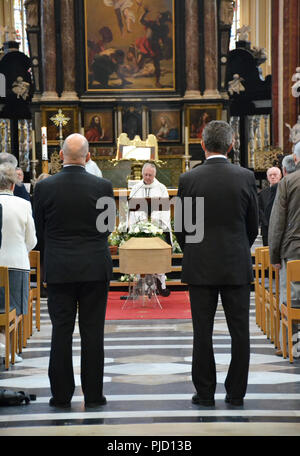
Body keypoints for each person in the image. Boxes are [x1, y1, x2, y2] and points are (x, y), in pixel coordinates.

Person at [175, 120, 258, 407]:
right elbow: (253, 226)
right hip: (235, 263)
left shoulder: (189, 179)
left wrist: (195, 249)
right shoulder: (245, 177)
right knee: (240, 332)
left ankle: (205, 392)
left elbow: (182, 228)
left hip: (200, 265)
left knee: (202, 331)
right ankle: (236, 393)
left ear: (202, 144)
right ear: (232, 145)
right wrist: (237, 248)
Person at [33, 133, 115, 409]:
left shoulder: (44, 188)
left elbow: (39, 232)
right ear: (88, 156)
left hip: (59, 268)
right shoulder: (103, 186)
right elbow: (108, 228)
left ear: (60, 155)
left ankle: (61, 395)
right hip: (94, 267)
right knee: (93, 333)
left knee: (61, 332)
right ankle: (93, 395)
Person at [0, 164, 37, 363]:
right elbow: (32, 240)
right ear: (13, 186)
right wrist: (22, 250)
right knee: (15, 310)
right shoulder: (23, 205)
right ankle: (11, 350)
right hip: (16, 263)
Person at [268, 142, 300, 358]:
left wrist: (274, 254)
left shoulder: (288, 182)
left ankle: (290, 344)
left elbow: (278, 222)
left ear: (295, 159)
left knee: (291, 297)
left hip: (294, 248)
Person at [129, 162, 172, 297]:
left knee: (157, 256)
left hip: (156, 228)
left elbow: (165, 209)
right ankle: (139, 284)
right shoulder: (135, 188)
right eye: (146, 174)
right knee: (139, 255)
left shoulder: (161, 188)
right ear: (142, 174)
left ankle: (160, 284)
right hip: (140, 228)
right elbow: (131, 209)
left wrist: (154, 222)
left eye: (150, 175)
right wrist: (140, 223)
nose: (147, 177)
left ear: (155, 175)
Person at [258, 166, 282, 245]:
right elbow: (259, 210)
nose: (272, 177)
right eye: (270, 175)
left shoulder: (285, 191)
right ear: (267, 177)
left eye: (275, 175)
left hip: (282, 229)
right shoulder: (262, 193)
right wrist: (266, 223)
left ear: (280, 176)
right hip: (266, 230)